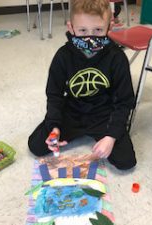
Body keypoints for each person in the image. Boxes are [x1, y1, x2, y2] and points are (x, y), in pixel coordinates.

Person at [28, 0, 137, 170]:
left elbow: (125, 101)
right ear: (71, 28)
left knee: (125, 161)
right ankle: (68, 130)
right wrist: (54, 126)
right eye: (83, 30)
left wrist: (111, 136)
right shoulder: (63, 56)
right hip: (73, 111)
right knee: (36, 145)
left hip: (103, 114)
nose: (90, 37)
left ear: (110, 26)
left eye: (98, 30)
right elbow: (54, 94)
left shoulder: (117, 58)